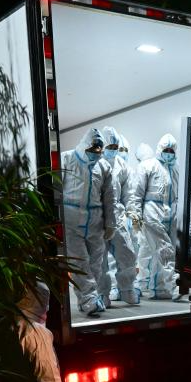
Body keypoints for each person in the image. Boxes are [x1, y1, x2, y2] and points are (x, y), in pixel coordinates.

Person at [61, 128, 115, 316]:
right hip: (71, 219)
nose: (96, 152)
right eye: (92, 149)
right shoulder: (66, 159)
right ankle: (90, 300)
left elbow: (109, 197)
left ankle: (86, 301)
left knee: (96, 263)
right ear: (85, 146)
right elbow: (55, 190)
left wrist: (111, 223)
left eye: (99, 149)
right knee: (79, 262)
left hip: (95, 221)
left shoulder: (104, 166)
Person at [132, 134, 180, 300]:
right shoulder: (148, 166)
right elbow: (137, 194)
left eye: (171, 150)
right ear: (160, 149)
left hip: (171, 215)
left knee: (161, 253)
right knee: (164, 250)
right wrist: (136, 217)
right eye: (166, 150)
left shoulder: (175, 169)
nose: (168, 153)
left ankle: (158, 289)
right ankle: (174, 287)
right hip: (152, 213)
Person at [100, 127, 141, 305]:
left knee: (127, 254)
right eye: (110, 146)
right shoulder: (96, 162)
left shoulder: (121, 165)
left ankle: (127, 289)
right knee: (100, 259)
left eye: (115, 146)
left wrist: (132, 213)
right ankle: (102, 294)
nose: (113, 149)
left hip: (117, 214)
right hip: (99, 215)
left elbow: (128, 193)